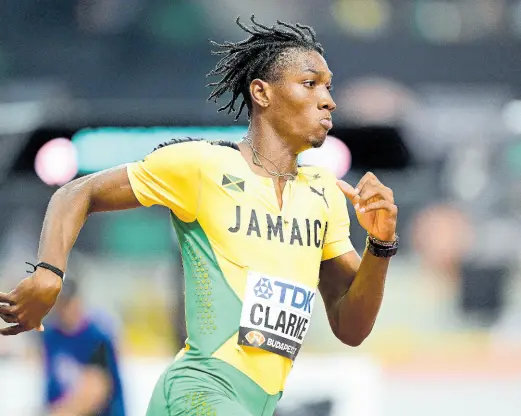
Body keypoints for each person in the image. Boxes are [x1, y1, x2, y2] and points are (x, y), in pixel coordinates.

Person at [0, 16, 398, 416]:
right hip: (198, 392)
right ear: (261, 92)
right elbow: (77, 191)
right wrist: (49, 273)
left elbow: (350, 328)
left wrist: (380, 246)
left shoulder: (324, 193)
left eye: (328, 86)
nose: (328, 98)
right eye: (311, 84)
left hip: (254, 405)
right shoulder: (202, 166)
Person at [41, 278, 125, 416]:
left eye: (67, 303)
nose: (63, 309)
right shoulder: (51, 336)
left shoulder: (97, 337)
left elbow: (95, 391)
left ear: (77, 302)